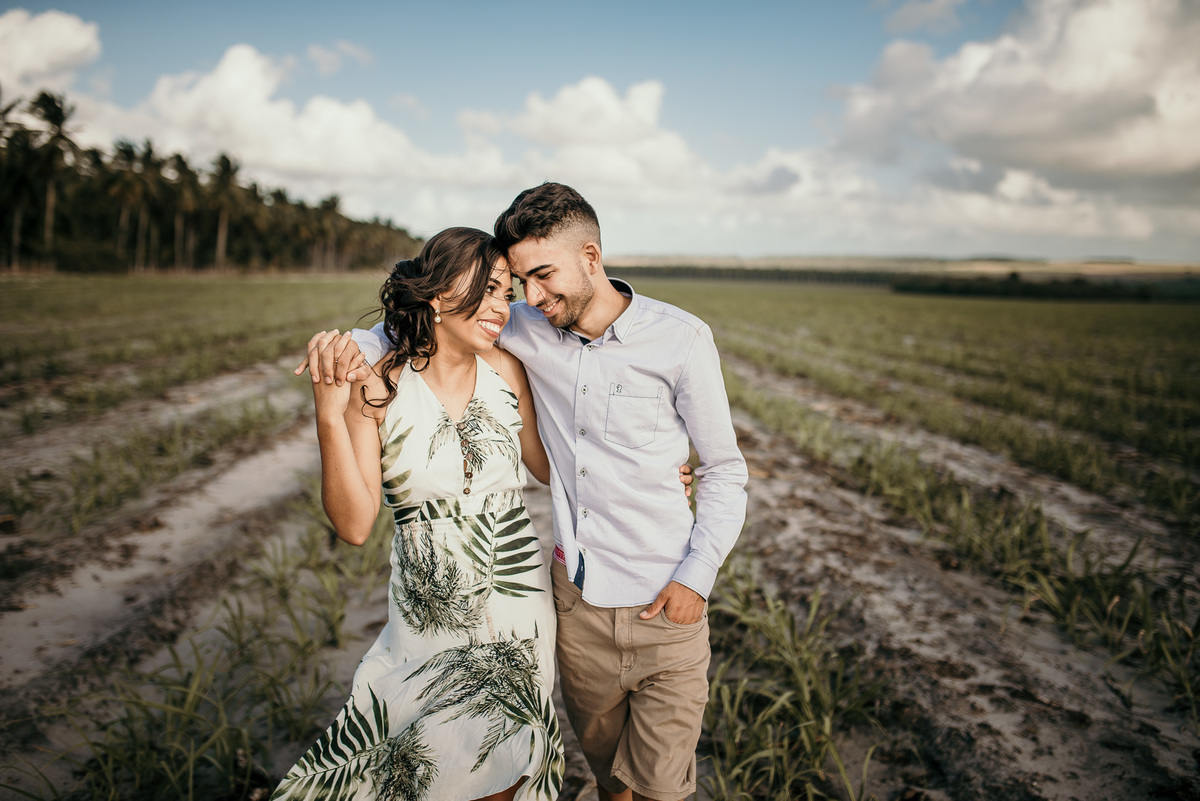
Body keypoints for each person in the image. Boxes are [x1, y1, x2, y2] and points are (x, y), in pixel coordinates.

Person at [328, 183, 749, 801]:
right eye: (518, 281)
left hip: (667, 603)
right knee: (609, 781)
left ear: (592, 257)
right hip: (574, 609)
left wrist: (698, 575)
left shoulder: (681, 340)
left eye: (542, 276)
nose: (529, 298)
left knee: (661, 788)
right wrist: (350, 348)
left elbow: (726, 469)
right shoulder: (521, 327)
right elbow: (426, 328)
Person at [274, 227, 564, 801]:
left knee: (500, 774)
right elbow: (354, 525)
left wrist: (658, 474)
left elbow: (555, 470)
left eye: (505, 292)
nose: (499, 306)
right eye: (485, 288)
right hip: (426, 617)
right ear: (435, 296)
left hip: (517, 605)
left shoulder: (508, 373)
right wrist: (329, 416)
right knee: (416, 771)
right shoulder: (378, 387)